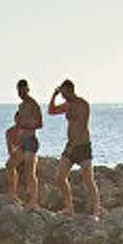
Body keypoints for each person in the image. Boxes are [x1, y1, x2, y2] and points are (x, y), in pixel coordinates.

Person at [47, 80, 101, 216]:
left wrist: (74, 145)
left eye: (64, 93)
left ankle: (96, 211)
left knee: (88, 180)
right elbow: (51, 111)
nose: (63, 96)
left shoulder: (82, 104)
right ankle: (69, 208)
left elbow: (82, 125)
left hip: (82, 146)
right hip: (70, 145)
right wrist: (54, 95)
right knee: (60, 178)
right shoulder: (67, 104)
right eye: (62, 94)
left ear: (71, 90)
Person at [8, 79, 43, 208]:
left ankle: (33, 201)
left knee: (30, 172)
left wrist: (26, 125)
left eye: (23, 90)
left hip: (31, 141)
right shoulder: (21, 106)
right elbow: (18, 124)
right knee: (10, 165)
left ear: (28, 90)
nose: (21, 93)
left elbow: (40, 124)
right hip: (22, 142)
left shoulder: (34, 105)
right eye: (19, 90)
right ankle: (13, 195)